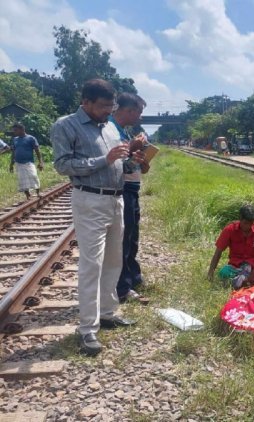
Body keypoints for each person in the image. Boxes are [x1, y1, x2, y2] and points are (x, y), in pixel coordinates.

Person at [52, 79, 140, 356]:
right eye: (103, 106)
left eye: (110, 106)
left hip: (116, 198)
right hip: (89, 199)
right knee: (92, 264)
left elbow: (119, 162)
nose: (107, 111)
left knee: (114, 260)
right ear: (86, 102)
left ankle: (108, 312)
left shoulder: (111, 127)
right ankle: (87, 329)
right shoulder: (66, 125)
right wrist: (104, 159)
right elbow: (62, 165)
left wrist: (133, 155)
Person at [109, 93, 151, 304]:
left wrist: (142, 160)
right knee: (124, 240)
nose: (140, 118)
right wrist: (133, 148)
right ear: (128, 110)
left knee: (132, 237)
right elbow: (112, 160)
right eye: (139, 113)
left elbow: (129, 164)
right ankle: (122, 287)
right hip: (122, 189)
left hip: (132, 188)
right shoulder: (109, 129)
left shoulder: (122, 131)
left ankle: (132, 278)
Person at [208, 204, 254, 284]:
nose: (248, 226)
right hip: (236, 266)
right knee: (223, 274)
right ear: (240, 219)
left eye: (251, 223)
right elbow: (218, 253)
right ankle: (248, 281)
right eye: (245, 223)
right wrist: (210, 273)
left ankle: (245, 281)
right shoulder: (229, 230)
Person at [9, 122, 44, 200]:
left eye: (15, 130)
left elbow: (37, 150)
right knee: (22, 180)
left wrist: (40, 162)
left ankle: (38, 192)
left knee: (33, 176)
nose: (14, 132)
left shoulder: (31, 138)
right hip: (19, 163)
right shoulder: (15, 139)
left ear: (22, 129)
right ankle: (28, 196)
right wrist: (11, 164)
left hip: (29, 162)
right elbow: (13, 152)